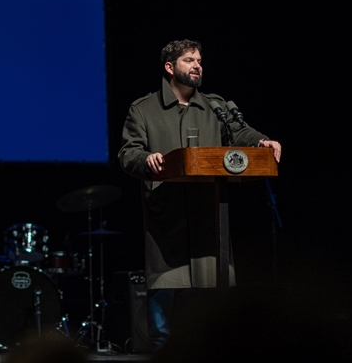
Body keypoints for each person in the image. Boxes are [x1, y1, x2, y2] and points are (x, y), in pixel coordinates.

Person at [119, 39, 282, 350]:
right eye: (189, 60)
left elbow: (240, 132)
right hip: (167, 217)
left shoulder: (215, 106)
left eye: (199, 60)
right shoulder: (144, 109)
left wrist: (261, 141)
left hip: (209, 214)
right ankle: (162, 351)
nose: (197, 66)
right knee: (165, 286)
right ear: (170, 67)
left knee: (211, 293)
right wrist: (146, 159)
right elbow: (128, 153)